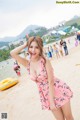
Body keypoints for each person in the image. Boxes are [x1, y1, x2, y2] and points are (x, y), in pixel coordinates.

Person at [10, 36, 74, 120]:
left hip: (58, 90)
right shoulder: (27, 63)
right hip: (46, 94)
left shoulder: (44, 61)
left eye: (36, 47)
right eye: (31, 47)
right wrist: (26, 44)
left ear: (40, 49)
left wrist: (51, 102)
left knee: (68, 117)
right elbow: (12, 53)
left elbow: (50, 81)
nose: (33, 50)